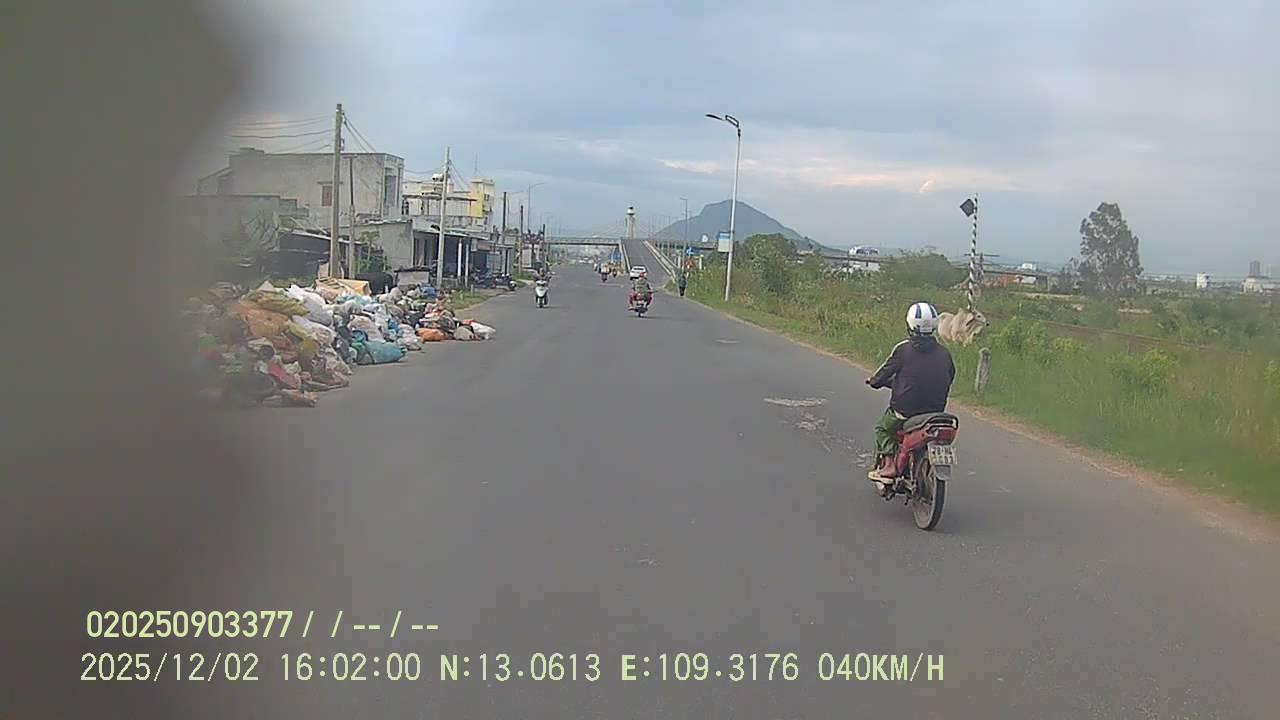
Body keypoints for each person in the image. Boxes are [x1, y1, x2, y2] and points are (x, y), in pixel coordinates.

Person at [865, 302, 955, 481]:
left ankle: (889, 466)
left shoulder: (903, 350)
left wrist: (874, 381)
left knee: (883, 429)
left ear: (910, 325)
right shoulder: (945, 353)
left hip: (905, 412)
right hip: (935, 412)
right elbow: (950, 376)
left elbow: (883, 374)